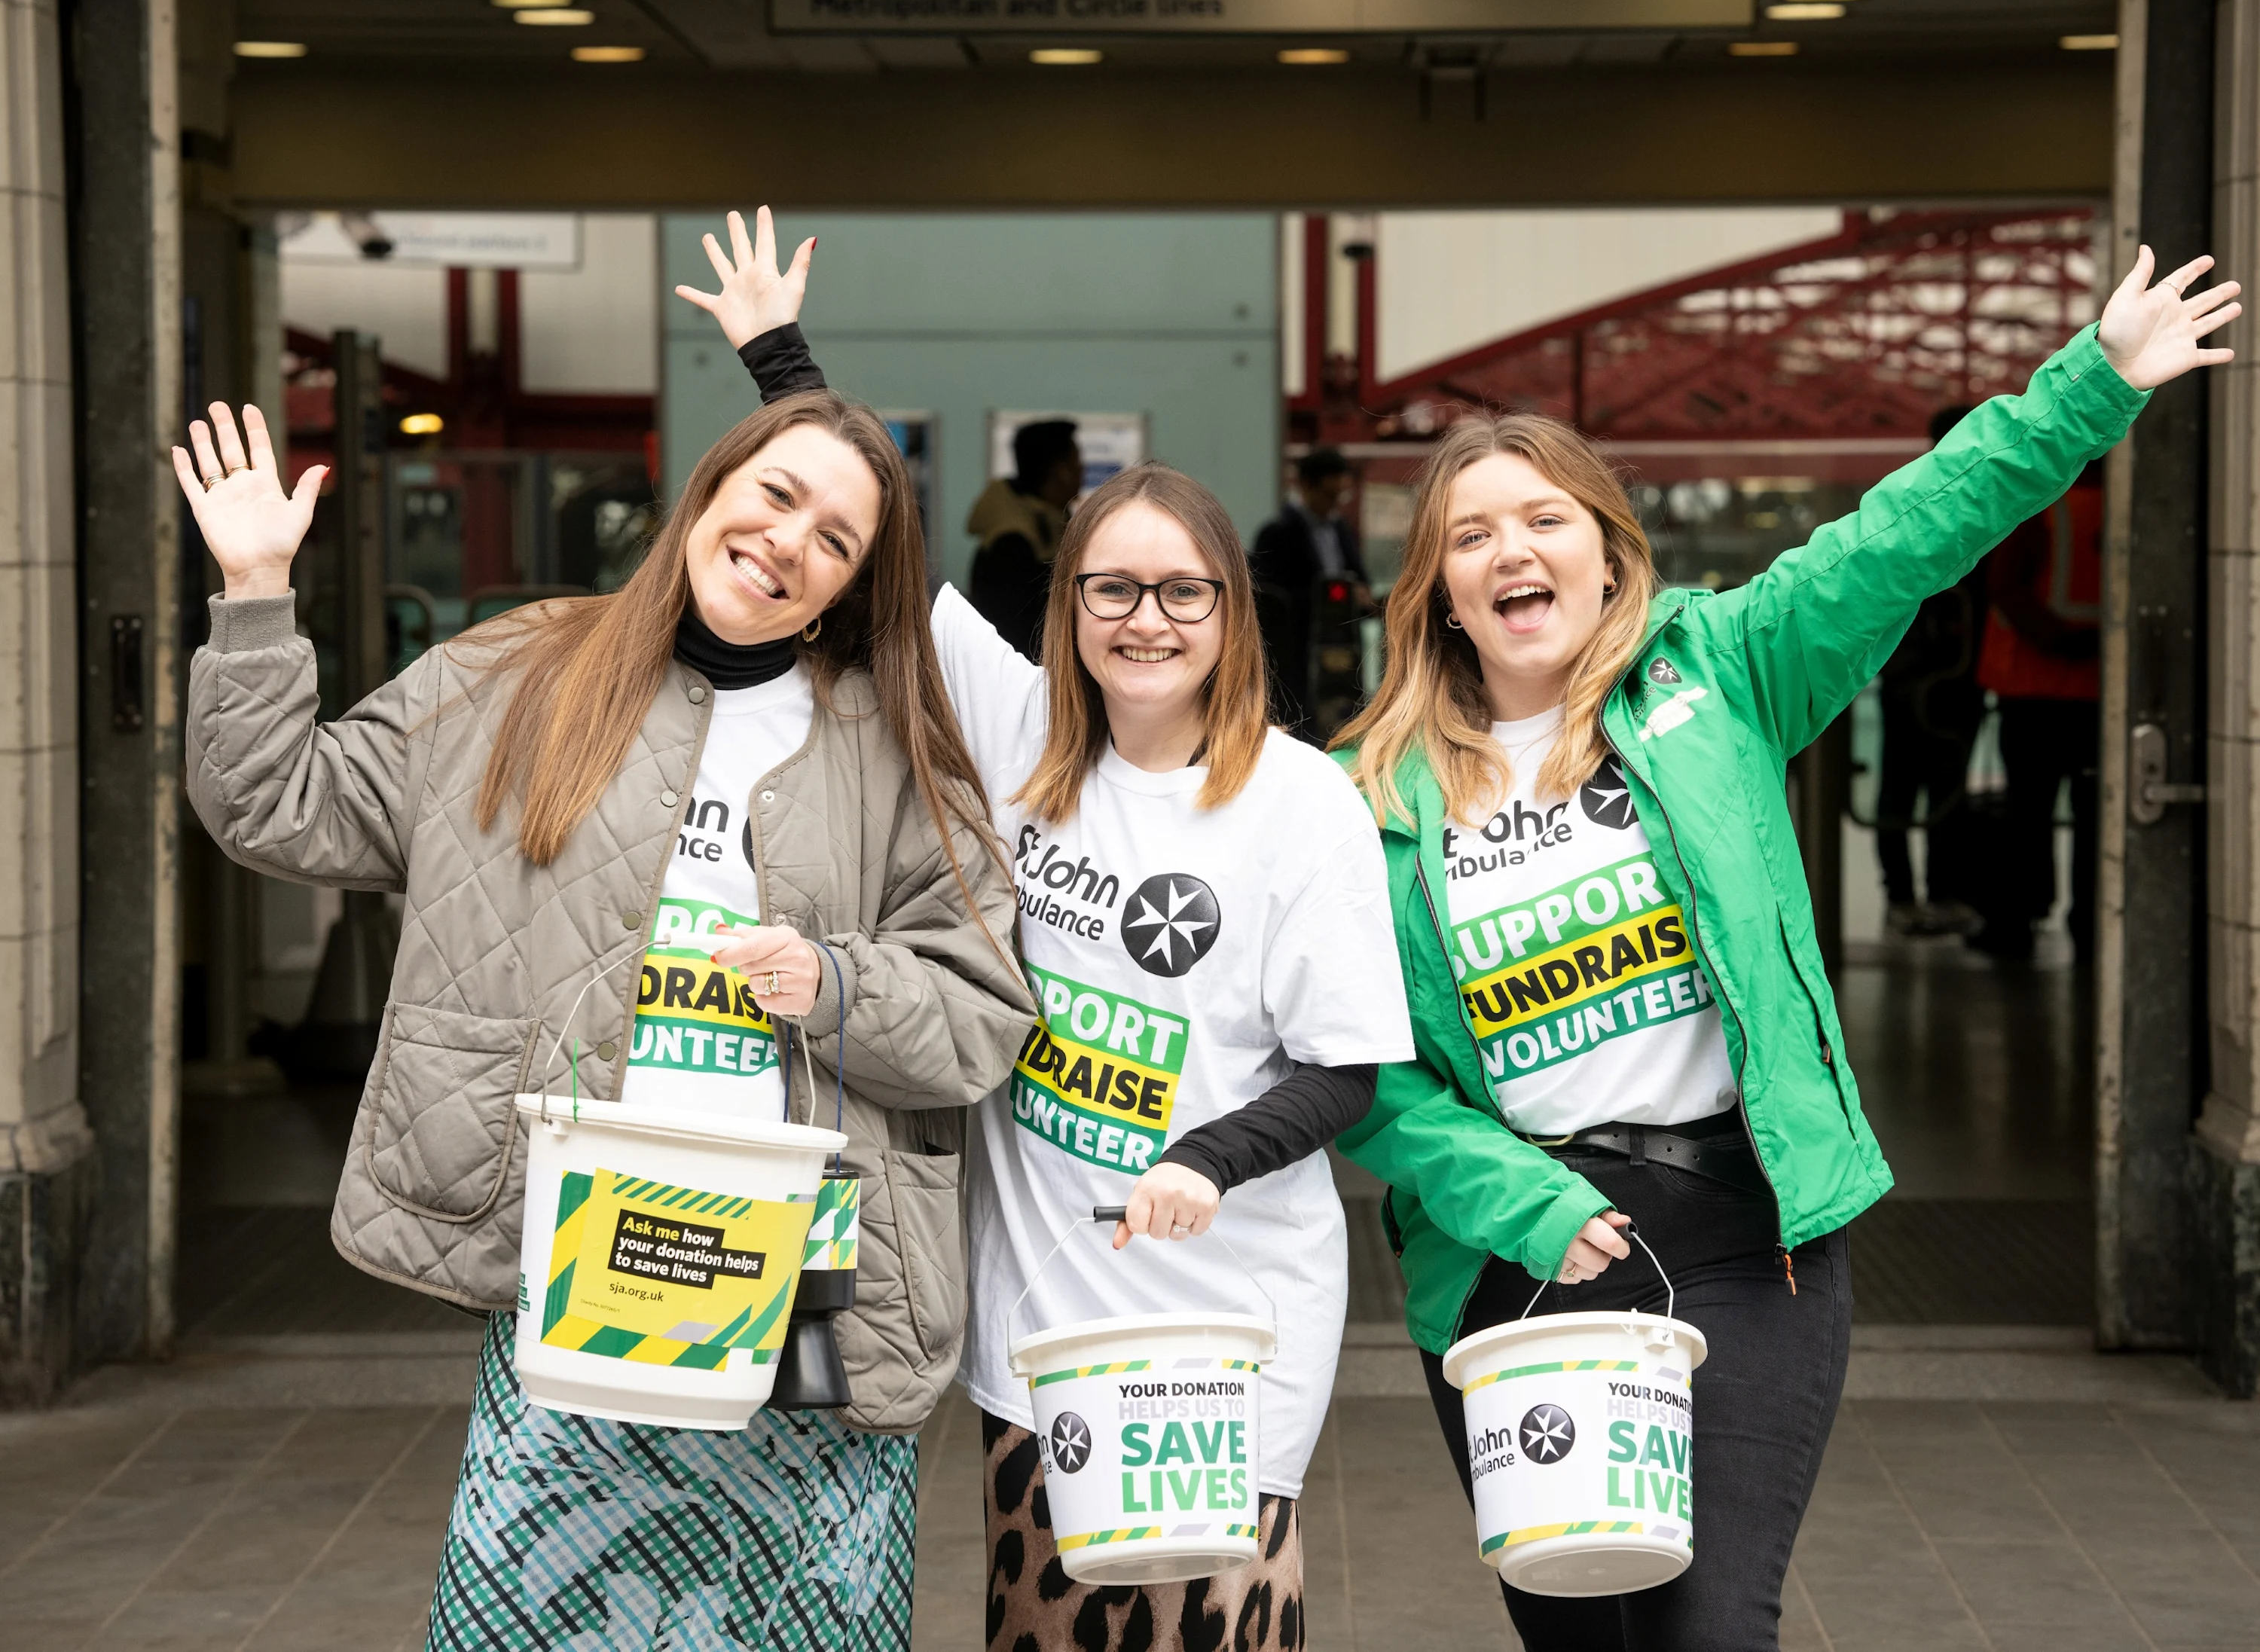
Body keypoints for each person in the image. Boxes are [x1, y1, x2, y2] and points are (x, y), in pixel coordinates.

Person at [1327, 246, 2235, 1650]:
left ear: (1608, 548)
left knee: (1706, 1628)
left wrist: (2093, 382)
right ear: (1438, 591)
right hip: (1517, 1258)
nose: (1513, 551)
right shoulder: (1364, 799)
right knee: (1581, 1637)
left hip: (1746, 1241)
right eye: (1470, 534)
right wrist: (1528, 1207)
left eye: (1545, 518)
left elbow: (1910, 531)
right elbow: (1366, 1072)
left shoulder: (1727, 671)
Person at [179, 369, 1035, 1647]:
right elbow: (278, 803)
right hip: (583, 1264)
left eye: (835, 539)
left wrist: (838, 982)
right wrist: (255, 595)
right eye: (775, 495)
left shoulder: (890, 747)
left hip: (803, 1288)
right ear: (710, 491)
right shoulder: (517, 672)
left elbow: (981, 1010)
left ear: (856, 583)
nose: (787, 542)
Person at [688, 210, 1417, 1651]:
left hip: (1226, 1332)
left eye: (1182, 591)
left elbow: (1348, 1071)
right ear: (1070, 603)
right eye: (1112, 589)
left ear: (1229, 611)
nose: (1146, 619)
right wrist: (780, 361)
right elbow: (876, 546)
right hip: (1039, 1333)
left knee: (1219, 1635)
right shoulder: (1017, 730)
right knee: (1042, 1634)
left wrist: (1207, 1161)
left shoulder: (1302, 801)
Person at [1971, 457, 2106, 960]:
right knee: (2098, 822)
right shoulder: (2134, 508)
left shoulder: (2040, 505)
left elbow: (2005, 589)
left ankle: (2016, 922)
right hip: (2098, 696)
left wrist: (2058, 640)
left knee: (2028, 818)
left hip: (2031, 692)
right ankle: (2092, 929)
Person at [1871, 404, 1988, 936]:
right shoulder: (1983, 497)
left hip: (1912, 672)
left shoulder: (1907, 493)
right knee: (1942, 787)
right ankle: (1931, 895)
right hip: (1948, 674)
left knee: (1910, 788)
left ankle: (1908, 897)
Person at [1251, 446, 1370, 739]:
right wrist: (1328, 595)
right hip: (1297, 649)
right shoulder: (1278, 533)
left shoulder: (1340, 528)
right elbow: (1272, 598)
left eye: (1339, 495)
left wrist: (1359, 594)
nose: (1333, 503)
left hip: (1339, 638)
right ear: (1305, 485)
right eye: (1328, 494)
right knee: (1300, 713)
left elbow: (1358, 572)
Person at [965, 420, 1083, 660]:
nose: (1083, 468)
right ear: (1061, 472)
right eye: (1076, 460)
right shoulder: (1011, 545)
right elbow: (1019, 633)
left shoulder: (1050, 526)